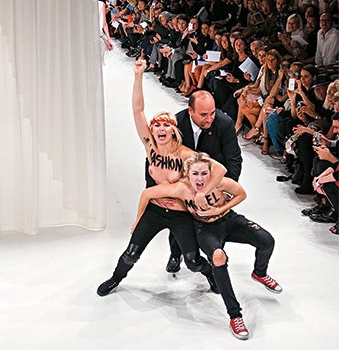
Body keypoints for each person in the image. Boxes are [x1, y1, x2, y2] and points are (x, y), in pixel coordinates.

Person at [96, 58, 225, 298]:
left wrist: (201, 193)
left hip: (180, 214)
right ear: (152, 131)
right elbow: (138, 110)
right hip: (154, 210)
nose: (161, 129)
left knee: (193, 261)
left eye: (167, 125)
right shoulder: (150, 148)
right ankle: (115, 278)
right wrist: (138, 76)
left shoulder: (187, 155)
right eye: (157, 126)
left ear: (173, 129)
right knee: (131, 253)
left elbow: (218, 170)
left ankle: (209, 274)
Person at [137, 152, 281, 340]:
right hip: (205, 229)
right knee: (218, 257)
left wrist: (220, 209)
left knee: (267, 240)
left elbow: (241, 193)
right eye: (195, 174)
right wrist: (142, 218)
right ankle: (235, 315)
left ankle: (259, 273)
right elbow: (148, 193)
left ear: (210, 173)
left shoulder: (221, 182)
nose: (200, 178)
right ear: (188, 174)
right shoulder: (181, 188)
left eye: (204, 173)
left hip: (229, 220)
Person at [164, 89, 242, 273]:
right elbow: (164, 157)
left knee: (214, 223)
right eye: (204, 114)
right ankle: (175, 254)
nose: (209, 119)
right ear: (190, 111)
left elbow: (234, 158)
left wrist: (227, 189)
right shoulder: (176, 124)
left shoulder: (224, 123)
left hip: (213, 184)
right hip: (183, 181)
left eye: (213, 113)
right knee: (178, 219)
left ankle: (216, 261)